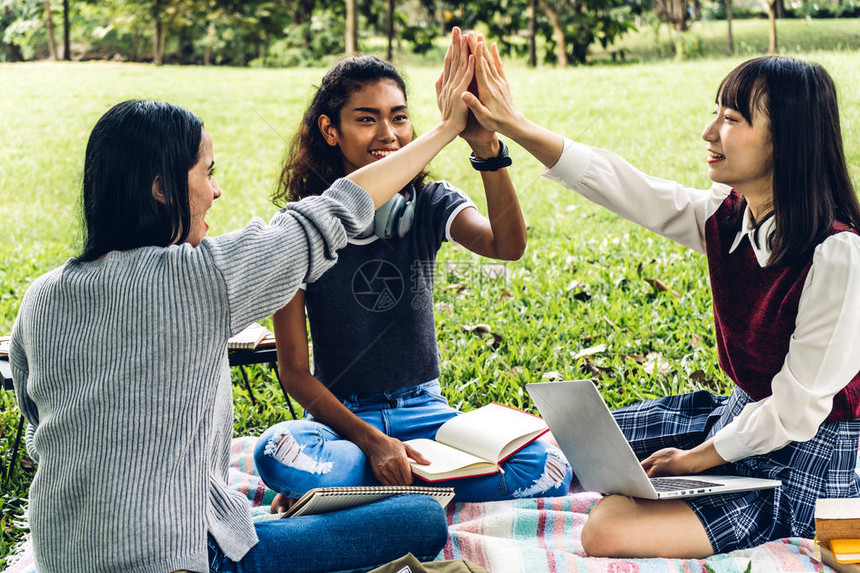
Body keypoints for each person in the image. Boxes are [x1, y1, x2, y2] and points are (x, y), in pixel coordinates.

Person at [10, 44, 474, 572]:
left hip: (59, 556)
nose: (217, 190)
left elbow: (37, 422)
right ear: (163, 190)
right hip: (183, 559)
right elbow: (338, 209)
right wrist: (446, 130)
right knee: (420, 521)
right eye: (207, 172)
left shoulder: (41, 296)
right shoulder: (202, 279)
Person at [460, 40, 860, 558]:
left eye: (733, 119)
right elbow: (628, 188)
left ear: (786, 141)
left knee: (607, 530)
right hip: (736, 418)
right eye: (715, 113)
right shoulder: (729, 216)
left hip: (803, 459)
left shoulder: (838, 256)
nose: (710, 133)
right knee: (569, 446)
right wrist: (512, 125)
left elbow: (794, 413)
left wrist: (696, 460)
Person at [253, 29, 572, 509]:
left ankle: (352, 491)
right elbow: (295, 372)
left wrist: (486, 148)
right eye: (367, 119)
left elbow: (508, 246)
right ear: (330, 130)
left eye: (399, 118)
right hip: (342, 420)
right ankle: (403, 483)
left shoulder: (429, 203)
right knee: (276, 451)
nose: (389, 135)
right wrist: (371, 441)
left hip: (425, 413)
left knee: (547, 466)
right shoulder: (298, 230)